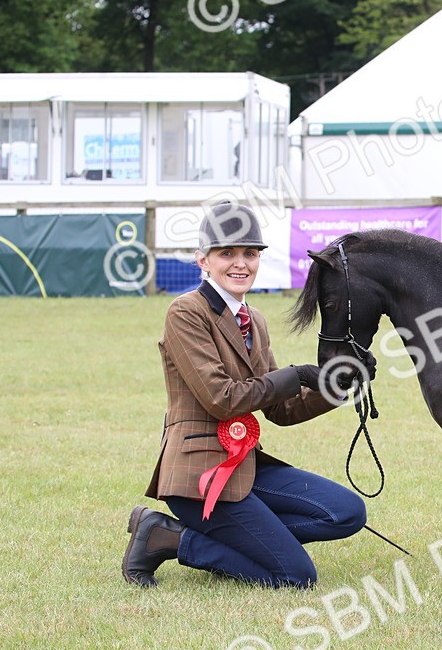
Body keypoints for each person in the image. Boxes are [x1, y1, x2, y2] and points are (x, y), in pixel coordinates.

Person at [122, 201, 366, 588]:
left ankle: (237, 538)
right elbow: (222, 399)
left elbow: (282, 410)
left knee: (347, 512)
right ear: (203, 260)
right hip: (198, 477)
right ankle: (171, 539)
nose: (241, 264)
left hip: (244, 467)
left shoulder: (255, 321)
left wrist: (337, 384)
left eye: (250, 254)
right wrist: (298, 374)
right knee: (296, 576)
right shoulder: (186, 312)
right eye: (227, 254)